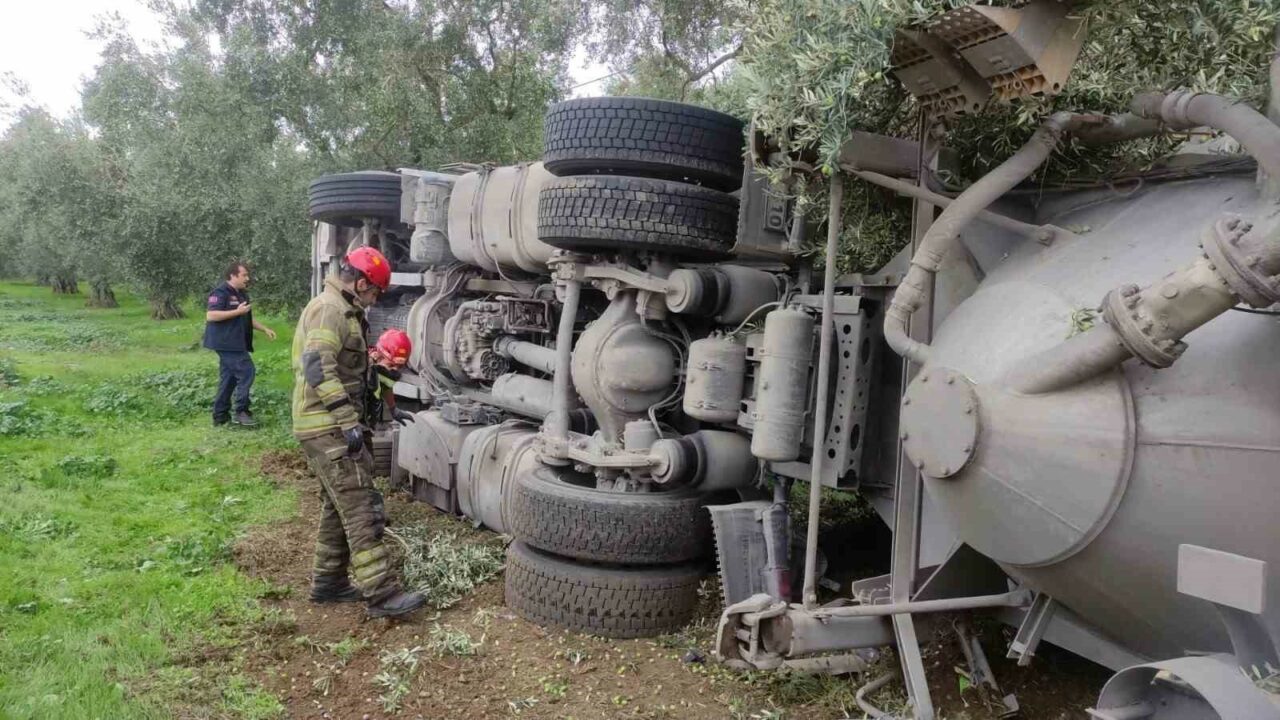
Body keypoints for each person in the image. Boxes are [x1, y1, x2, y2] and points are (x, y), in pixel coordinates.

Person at [290, 246, 426, 618]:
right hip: (328, 426)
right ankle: (382, 593)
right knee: (361, 507)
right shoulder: (330, 310)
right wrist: (348, 421)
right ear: (361, 282)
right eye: (375, 292)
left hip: (326, 423)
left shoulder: (345, 310)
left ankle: (328, 583)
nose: (376, 299)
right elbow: (319, 367)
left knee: (339, 506)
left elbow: (352, 372)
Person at [204, 261, 276, 427]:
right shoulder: (220, 292)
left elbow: (246, 317)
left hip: (237, 342)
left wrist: (264, 329)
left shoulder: (242, 294)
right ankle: (241, 411)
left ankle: (220, 416)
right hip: (225, 342)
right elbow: (211, 315)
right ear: (233, 275)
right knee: (246, 371)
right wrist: (237, 311)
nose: (247, 278)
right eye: (244, 275)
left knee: (228, 379)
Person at [366, 329, 417, 427]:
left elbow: (385, 383)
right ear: (378, 355)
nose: (394, 370)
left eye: (399, 367)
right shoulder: (361, 371)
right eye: (391, 365)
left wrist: (393, 409)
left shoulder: (380, 369)